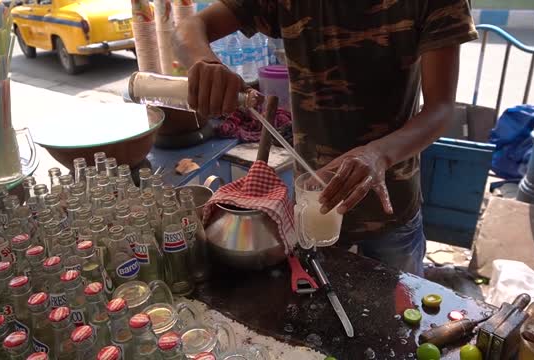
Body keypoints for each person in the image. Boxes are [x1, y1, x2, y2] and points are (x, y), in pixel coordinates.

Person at [174, 0, 478, 276]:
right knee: (319, 316)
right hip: (314, 200)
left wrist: (377, 155)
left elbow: (441, 108)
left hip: (391, 209)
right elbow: (188, 28)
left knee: (401, 320)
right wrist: (206, 63)